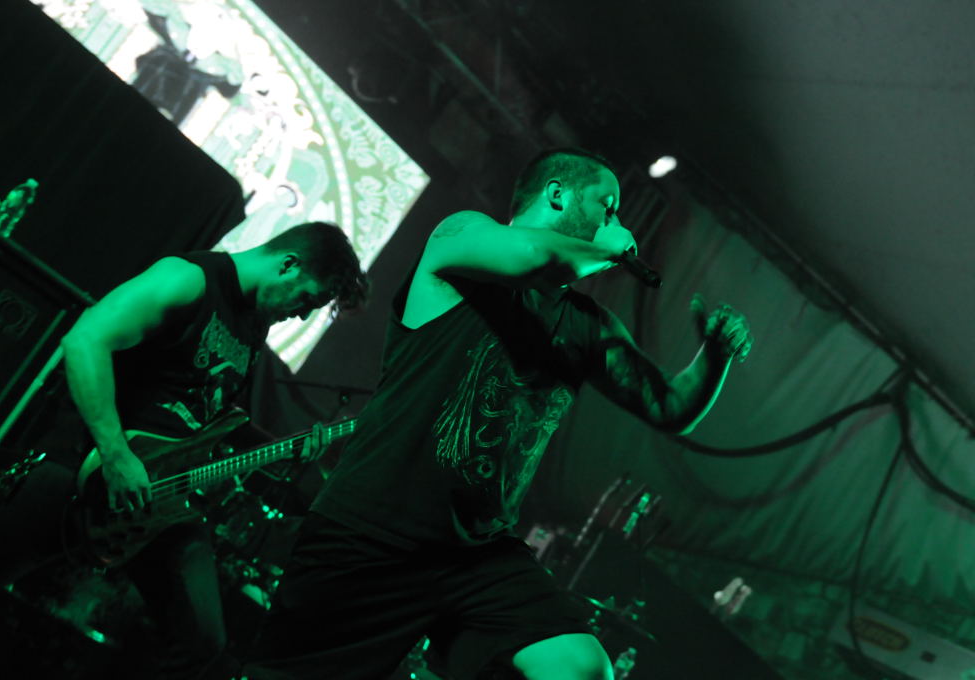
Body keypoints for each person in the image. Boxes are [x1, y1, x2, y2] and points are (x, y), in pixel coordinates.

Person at [248, 149, 752, 680]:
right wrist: (599, 247)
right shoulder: (463, 235)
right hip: (373, 528)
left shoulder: (589, 325)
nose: (616, 221)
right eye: (607, 206)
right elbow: (533, 256)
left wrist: (714, 357)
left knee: (582, 667)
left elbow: (669, 406)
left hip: (477, 552)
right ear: (557, 194)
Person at [0, 221, 367, 679]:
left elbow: (206, 414)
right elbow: (86, 339)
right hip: (85, 470)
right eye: (307, 300)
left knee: (202, 642)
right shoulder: (187, 280)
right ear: (288, 264)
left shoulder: (253, 329)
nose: (302, 316)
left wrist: (282, 448)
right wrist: (115, 453)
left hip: (158, 497)